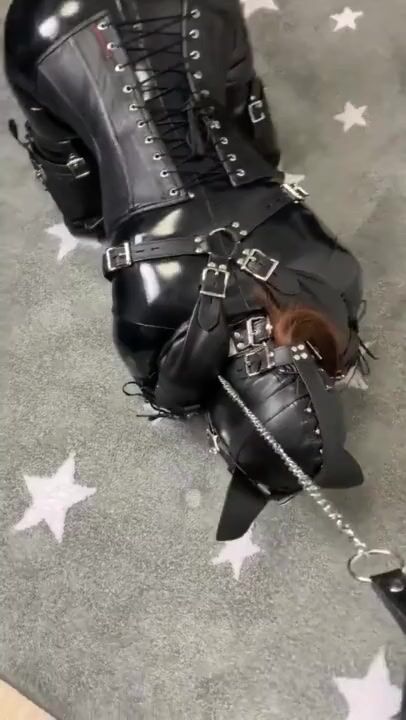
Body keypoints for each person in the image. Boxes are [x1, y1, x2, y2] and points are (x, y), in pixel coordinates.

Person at [4, 0, 368, 541]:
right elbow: (171, 390)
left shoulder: (337, 273)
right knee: (86, 206)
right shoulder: (145, 315)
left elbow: (249, 118)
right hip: (43, 28)